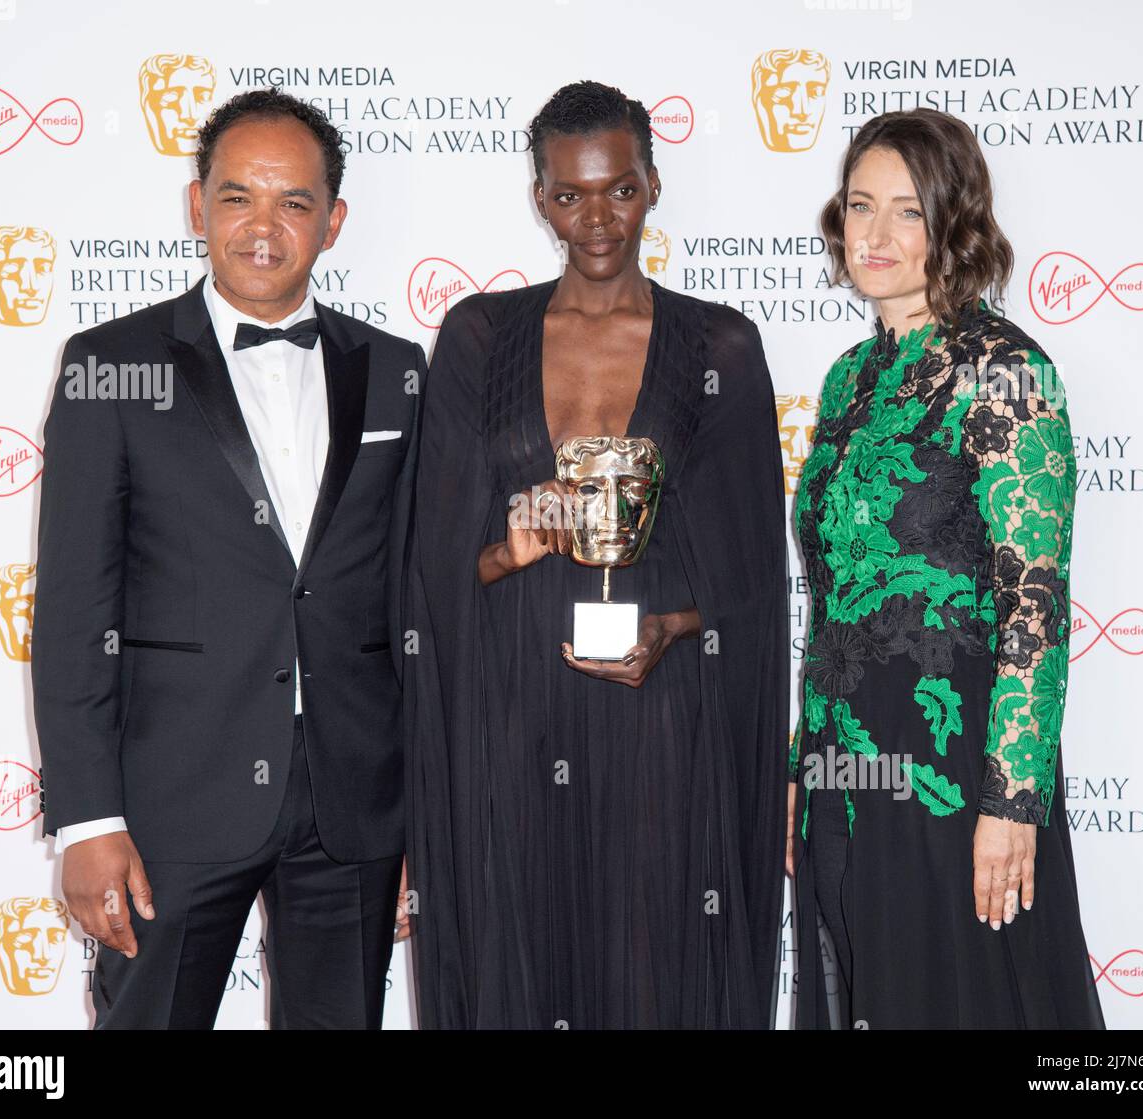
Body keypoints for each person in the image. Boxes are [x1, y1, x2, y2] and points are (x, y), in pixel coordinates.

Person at [31, 89, 422, 1029]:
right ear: (197, 206)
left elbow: (414, 602)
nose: (262, 226)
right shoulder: (109, 364)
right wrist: (87, 821)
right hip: (172, 802)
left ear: (333, 221)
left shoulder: (400, 370)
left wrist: (422, 814)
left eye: (293, 202)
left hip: (352, 803)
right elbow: (76, 610)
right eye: (238, 196)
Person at [403, 80, 789, 1029]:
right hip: (513, 712)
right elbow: (433, 565)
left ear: (652, 185)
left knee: (656, 959)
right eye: (570, 195)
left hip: (661, 716)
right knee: (519, 951)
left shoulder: (723, 346)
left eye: (617, 189)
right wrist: (510, 547)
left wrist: (674, 626)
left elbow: (752, 584)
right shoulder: (476, 336)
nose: (595, 218)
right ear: (539, 198)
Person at [789, 108, 1105, 1028]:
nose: (876, 236)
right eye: (859, 207)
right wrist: (801, 767)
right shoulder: (851, 376)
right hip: (845, 771)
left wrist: (1012, 803)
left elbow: (1035, 605)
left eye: (907, 211)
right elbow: (836, 600)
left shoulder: (1007, 373)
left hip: (954, 769)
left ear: (954, 223)